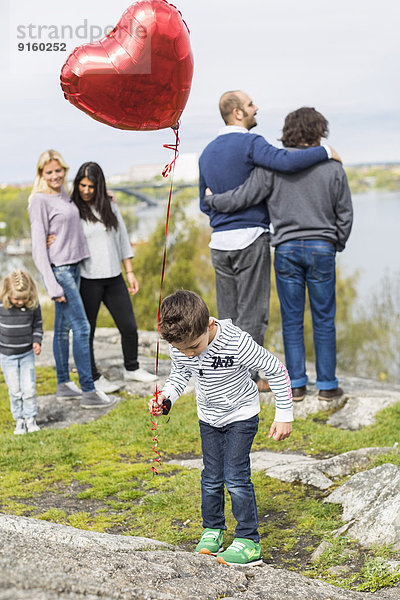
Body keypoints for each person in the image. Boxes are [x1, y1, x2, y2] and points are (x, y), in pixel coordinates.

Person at [204, 107, 353, 402]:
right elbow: (345, 215)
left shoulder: (272, 169)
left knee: (292, 319)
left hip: (285, 249)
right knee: (324, 319)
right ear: (319, 131)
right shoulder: (333, 167)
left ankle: (296, 384)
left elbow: (244, 197)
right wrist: (335, 243)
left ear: (289, 133)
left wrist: (212, 200)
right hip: (322, 248)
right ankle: (326, 386)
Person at [150, 290, 293, 566]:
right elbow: (180, 374)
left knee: (236, 477)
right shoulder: (180, 343)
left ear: (210, 326)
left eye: (195, 347)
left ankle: (249, 541)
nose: (189, 354)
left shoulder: (235, 342)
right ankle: (213, 529)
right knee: (211, 476)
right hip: (209, 418)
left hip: (241, 414)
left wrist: (284, 414)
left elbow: (275, 369)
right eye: (183, 350)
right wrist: (166, 397)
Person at [48, 162, 157, 392]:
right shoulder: (72, 208)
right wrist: (51, 238)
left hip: (114, 277)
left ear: (99, 187)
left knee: (129, 326)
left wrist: (130, 272)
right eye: (82, 185)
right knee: (87, 331)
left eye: (91, 186)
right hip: (87, 279)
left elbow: (122, 238)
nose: (86, 190)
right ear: (77, 184)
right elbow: (58, 225)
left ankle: (132, 368)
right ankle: (94, 377)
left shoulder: (110, 205)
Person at [28, 149, 115, 409]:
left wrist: (105, 197)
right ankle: (89, 391)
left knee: (64, 330)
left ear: (64, 171)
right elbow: (37, 248)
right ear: (41, 174)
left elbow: (74, 213)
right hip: (61, 271)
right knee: (83, 327)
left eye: (58, 170)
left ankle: (64, 384)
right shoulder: (38, 200)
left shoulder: (63, 195)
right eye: (49, 172)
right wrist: (52, 286)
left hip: (75, 266)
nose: (55, 175)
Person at [0, 270, 43, 434]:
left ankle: (31, 418)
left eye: (24, 298)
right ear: (7, 293)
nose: (20, 302)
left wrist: (37, 341)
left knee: (29, 388)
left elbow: (38, 325)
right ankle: (19, 420)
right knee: (15, 390)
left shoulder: (32, 305)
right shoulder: (2, 305)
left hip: (27, 354)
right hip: (7, 356)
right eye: (16, 298)